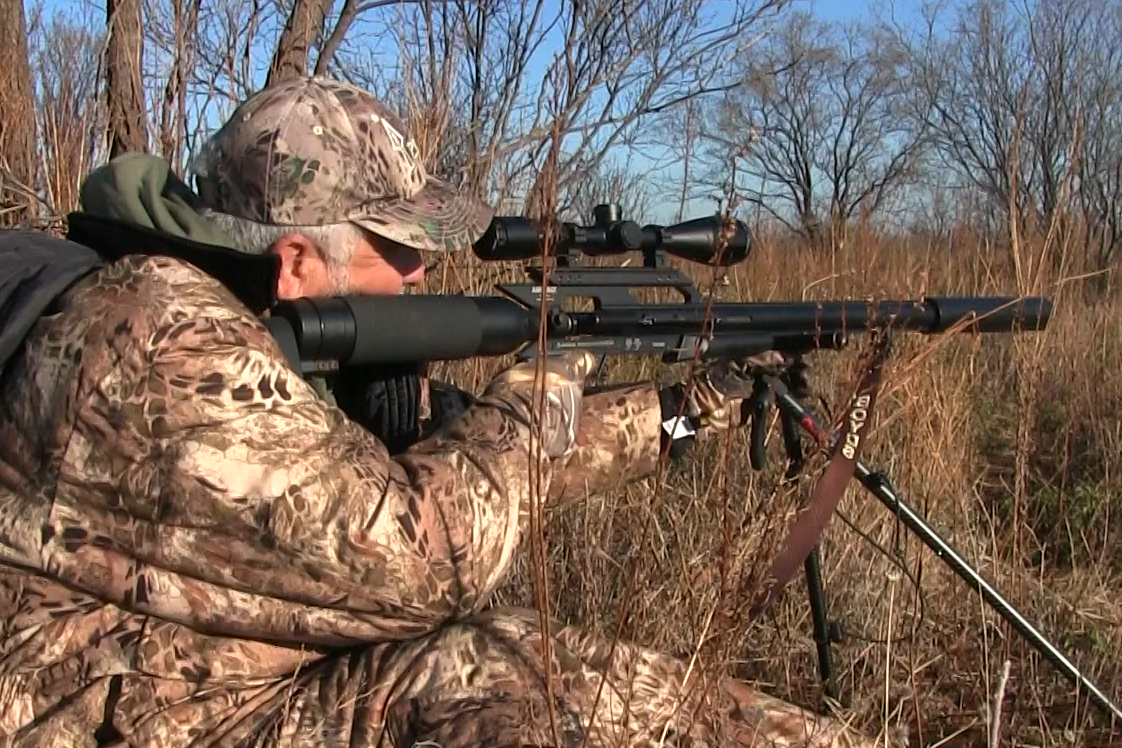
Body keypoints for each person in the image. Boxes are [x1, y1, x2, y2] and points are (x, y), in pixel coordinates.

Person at [0, 76, 874, 747]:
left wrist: (689, 406)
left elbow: (487, 472)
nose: (421, 273)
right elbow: (427, 553)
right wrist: (554, 362)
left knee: (544, 667)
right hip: (131, 713)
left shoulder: (249, 322)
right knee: (508, 677)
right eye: (398, 247)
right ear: (297, 261)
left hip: (215, 670)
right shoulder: (164, 341)